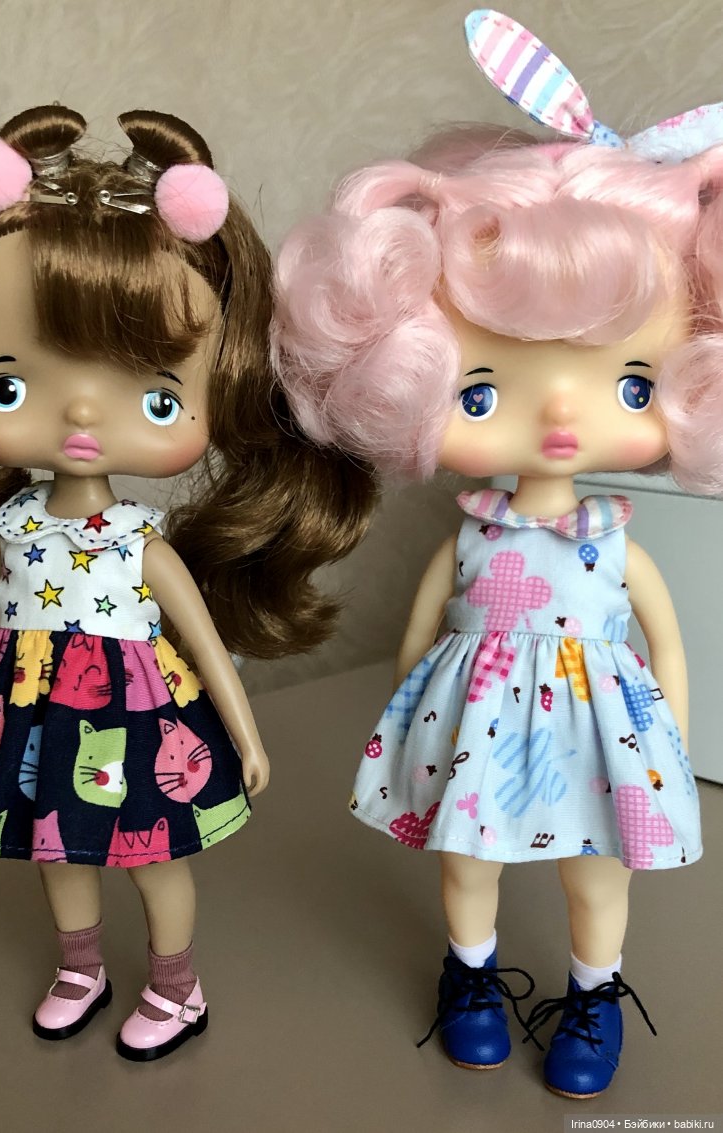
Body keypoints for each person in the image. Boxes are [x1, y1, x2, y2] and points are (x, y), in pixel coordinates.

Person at [0, 104, 375, 1061]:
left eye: (155, 396)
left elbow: (197, 637)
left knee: (152, 856)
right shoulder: (16, 523)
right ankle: (80, 969)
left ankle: (176, 986)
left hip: (137, 717)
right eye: (10, 385)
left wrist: (245, 731)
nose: (81, 416)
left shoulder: (140, 541)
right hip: (28, 711)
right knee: (53, 849)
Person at [271, 38, 723, 1092]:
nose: (558, 416)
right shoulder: (471, 531)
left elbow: (662, 636)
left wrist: (669, 730)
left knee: (595, 867)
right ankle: (468, 974)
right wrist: (412, 723)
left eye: (630, 384)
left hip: (601, 729)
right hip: (476, 728)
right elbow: (422, 633)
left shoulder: (608, 537)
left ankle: (594, 993)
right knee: (467, 858)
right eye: (481, 390)